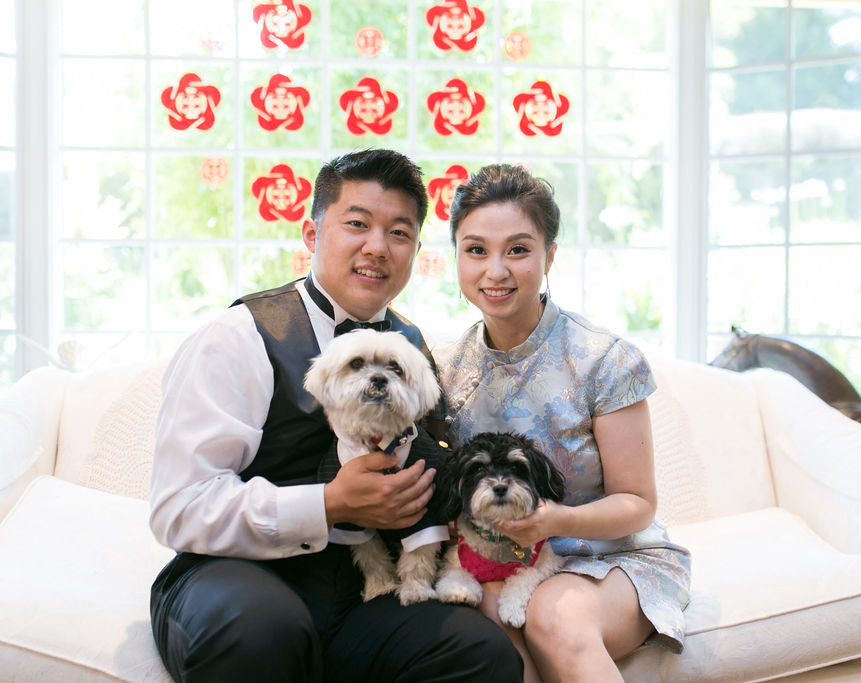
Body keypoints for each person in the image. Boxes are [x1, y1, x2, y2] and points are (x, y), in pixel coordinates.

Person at [148, 149, 522, 682]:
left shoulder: (412, 349)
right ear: (311, 233)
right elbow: (179, 508)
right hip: (237, 575)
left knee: (478, 652)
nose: (377, 246)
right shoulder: (237, 336)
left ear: (415, 251)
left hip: (367, 591)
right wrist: (328, 504)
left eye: (399, 233)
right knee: (259, 630)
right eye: (357, 224)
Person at [434, 164, 692, 682]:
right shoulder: (445, 371)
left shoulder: (604, 360)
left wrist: (556, 521)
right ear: (456, 257)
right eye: (476, 249)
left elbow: (637, 504)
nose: (495, 271)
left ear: (550, 255)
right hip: (502, 565)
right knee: (487, 618)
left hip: (613, 558)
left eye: (518, 249)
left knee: (553, 615)